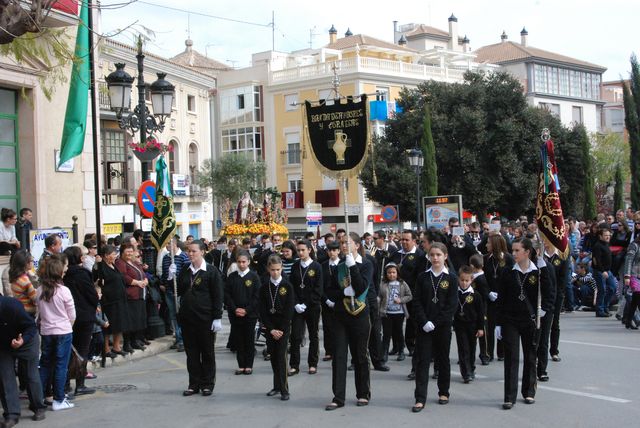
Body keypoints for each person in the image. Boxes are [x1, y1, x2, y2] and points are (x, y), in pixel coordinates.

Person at [495, 238, 554, 410]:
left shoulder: (539, 271)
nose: (513, 254)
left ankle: (529, 391)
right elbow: (501, 298)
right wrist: (498, 323)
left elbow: (550, 291)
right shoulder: (507, 272)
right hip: (510, 320)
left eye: (516, 251)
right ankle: (509, 396)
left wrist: (544, 310)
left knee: (530, 356)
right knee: (511, 358)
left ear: (527, 252)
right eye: (512, 250)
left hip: (530, 320)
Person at [324, 233, 372, 410]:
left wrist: (353, 267)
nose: (343, 246)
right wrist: (343, 293)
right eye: (342, 243)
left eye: (347, 243)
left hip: (359, 315)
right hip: (341, 316)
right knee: (339, 355)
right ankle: (338, 397)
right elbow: (329, 291)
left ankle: (363, 394)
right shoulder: (339, 267)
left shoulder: (366, 264)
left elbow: (360, 287)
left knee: (360, 355)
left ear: (357, 245)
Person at [411, 242, 458, 412]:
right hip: (424, 326)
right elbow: (416, 302)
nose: (435, 258)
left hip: (442, 326)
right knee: (422, 361)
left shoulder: (451, 277)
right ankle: (420, 397)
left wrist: (436, 322)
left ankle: (443, 391)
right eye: (432, 255)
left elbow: (452, 305)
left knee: (443, 359)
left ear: (445, 256)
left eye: (438, 255)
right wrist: (424, 322)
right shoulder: (423, 277)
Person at [177, 241, 224, 397]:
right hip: (188, 318)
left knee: (207, 352)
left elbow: (218, 296)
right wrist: (172, 277)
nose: (190, 254)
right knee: (192, 353)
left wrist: (217, 317)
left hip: (205, 318)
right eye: (189, 251)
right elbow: (180, 290)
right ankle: (193, 383)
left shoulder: (211, 271)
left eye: (194, 251)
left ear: (202, 252)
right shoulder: (185, 269)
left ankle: (207, 384)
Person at [36, 254, 76, 411]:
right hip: (63, 331)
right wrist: (68, 326)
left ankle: (38, 398)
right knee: (61, 366)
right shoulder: (64, 291)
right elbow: (71, 315)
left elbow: (38, 313)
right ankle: (59, 399)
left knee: (45, 365)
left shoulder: (39, 290)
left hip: (46, 332)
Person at [0, 295, 46, 426]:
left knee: (30, 375)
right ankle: (11, 414)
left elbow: (31, 327)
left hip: (26, 341)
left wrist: (22, 340)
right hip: (3, 345)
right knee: (5, 377)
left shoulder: (12, 305)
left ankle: (38, 407)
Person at [62, 246, 98, 396]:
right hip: (83, 317)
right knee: (82, 351)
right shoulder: (82, 274)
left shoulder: (64, 275)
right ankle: (80, 384)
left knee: (68, 351)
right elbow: (92, 296)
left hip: (67, 317)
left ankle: (65, 384)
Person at [259, 255, 295, 401]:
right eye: (273, 270)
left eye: (278, 270)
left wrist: (280, 329)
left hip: (283, 327)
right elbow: (262, 309)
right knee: (273, 357)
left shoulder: (287, 286)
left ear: (281, 268)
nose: (275, 273)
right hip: (270, 327)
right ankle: (276, 386)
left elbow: (289, 310)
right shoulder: (264, 287)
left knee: (281, 357)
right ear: (268, 269)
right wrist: (271, 329)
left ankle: (284, 389)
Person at [289, 239, 324, 375]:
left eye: (303, 250)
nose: (301, 252)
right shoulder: (295, 266)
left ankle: (312, 363)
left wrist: (307, 303)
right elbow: (292, 286)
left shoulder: (316, 266)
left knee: (313, 335)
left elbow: (318, 289)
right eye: (298, 250)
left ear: (309, 250)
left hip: (312, 306)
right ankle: (294, 365)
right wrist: (296, 303)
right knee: (295, 336)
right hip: (298, 307)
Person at [225, 250, 261, 374]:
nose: (241, 264)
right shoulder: (232, 277)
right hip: (235, 314)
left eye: (244, 262)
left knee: (249, 340)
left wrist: (247, 310)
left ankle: (249, 365)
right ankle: (241, 365)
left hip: (250, 315)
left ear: (249, 262)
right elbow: (227, 295)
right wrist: (235, 309)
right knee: (239, 340)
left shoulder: (254, 277)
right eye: (239, 262)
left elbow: (257, 296)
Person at [483, 234, 514, 364]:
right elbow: (482, 278)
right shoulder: (485, 258)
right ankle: (488, 353)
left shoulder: (508, 258)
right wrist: (488, 292)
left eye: (489, 243)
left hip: (504, 297)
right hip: (490, 296)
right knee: (489, 326)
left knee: (503, 324)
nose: (486, 245)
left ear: (495, 244)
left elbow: (512, 278)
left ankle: (502, 352)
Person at [94, 245, 129, 357]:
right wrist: (98, 263)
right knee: (108, 326)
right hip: (109, 301)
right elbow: (97, 279)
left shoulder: (113, 265)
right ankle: (106, 349)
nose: (115, 256)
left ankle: (116, 346)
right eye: (113, 254)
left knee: (119, 324)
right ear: (106, 255)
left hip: (120, 299)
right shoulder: (101, 266)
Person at [454, 265, 485, 384]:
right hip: (459, 325)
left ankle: (471, 368)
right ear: (458, 279)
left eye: (467, 280)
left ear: (471, 280)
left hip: (472, 325)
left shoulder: (476, 295)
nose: (464, 283)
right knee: (463, 349)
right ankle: (465, 372)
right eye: (462, 280)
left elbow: (481, 313)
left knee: (472, 348)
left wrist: (481, 327)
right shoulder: (455, 293)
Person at [115, 244, 148, 351]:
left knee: (138, 320)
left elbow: (142, 273)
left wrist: (145, 280)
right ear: (122, 252)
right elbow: (123, 276)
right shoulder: (120, 263)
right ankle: (127, 343)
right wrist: (137, 282)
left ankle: (135, 341)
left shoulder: (133, 263)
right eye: (127, 251)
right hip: (130, 296)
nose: (129, 253)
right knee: (130, 321)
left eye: (131, 251)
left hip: (139, 295)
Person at [379, 262, 412, 363]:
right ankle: (384, 352)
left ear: (397, 273)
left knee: (398, 332)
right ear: (386, 273)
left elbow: (409, 295)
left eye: (394, 272)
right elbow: (379, 296)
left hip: (399, 312)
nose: (391, 274)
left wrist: (401, 300)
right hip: (386, 312)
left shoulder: (402, 283)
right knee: (386, 334)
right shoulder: (383, 284)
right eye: (389, 272)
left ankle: (401, 350)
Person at [320, 242, 341, 362]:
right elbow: (320, 285)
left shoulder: (343, 264)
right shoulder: (323, 265)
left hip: (340, 300)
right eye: (330, 250)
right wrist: (326, 300)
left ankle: (338, 350)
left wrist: (337, 301)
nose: (332, 253)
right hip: (326, 299)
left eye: (334, 250)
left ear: (338, 251)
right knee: (327, 327)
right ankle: (328, 351)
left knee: (339, 327)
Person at [469, 254, 490, 365]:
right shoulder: (473, 277)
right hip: (471, 308)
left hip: (481, 309)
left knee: (483, 333)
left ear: (472, 266)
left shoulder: (481, 279)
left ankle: (485, 354)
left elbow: (484, 295)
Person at [592, 227, 617, 317]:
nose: (608, 237)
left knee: (613, 288)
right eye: (605, 235)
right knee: (602, 290)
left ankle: (605, 306)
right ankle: (600, 310)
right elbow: (596, 261)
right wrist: (602, 271)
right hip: (600, 271)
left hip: (608, 271)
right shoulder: (597, 246)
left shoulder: (606, 244)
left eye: (608, 235)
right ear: (600, 236)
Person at [8, 250, 37, 318]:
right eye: (32, 261)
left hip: (19, 308)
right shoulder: (25, 280)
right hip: (28, 311)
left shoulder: (16, 276)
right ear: (26, 263)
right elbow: (35, 297)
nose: (33, 263)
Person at [622, 228, 640, 330]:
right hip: (634, 275)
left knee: (634, 300)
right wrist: (627, 276)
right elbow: (628, 261)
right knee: (638, 297)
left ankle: (628, 320)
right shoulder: (634, 245)